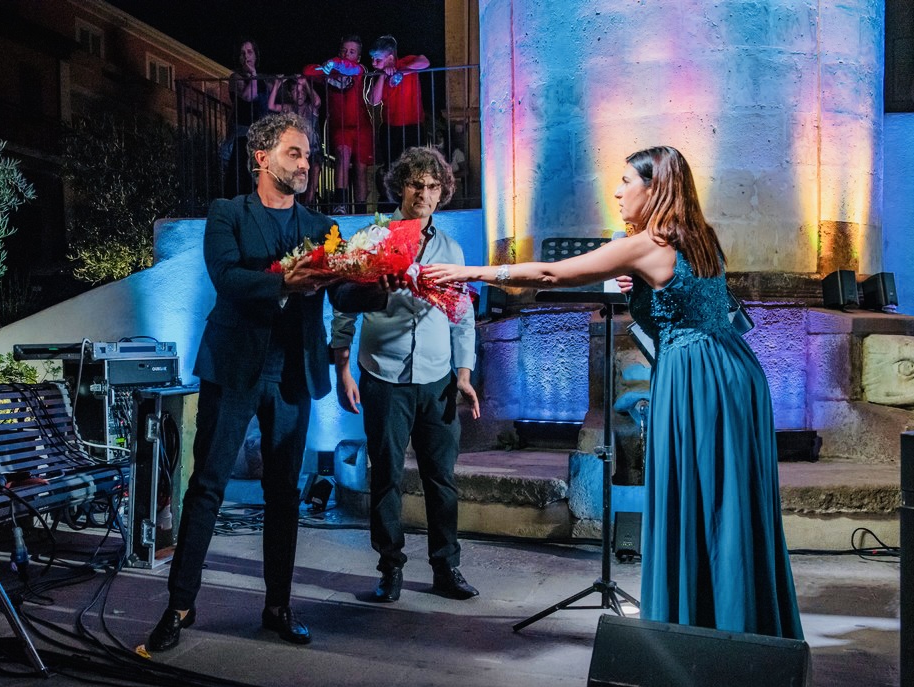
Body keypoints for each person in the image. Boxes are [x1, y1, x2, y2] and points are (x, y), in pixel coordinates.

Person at [425, 146, 804, 640]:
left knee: (703, 500)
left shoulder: (646, 243)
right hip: (735, 373)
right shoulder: (700, 238)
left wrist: (471, 272)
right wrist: (640, 289)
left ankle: (703, 631)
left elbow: (552, 274)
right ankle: (741, 621)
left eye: (627, 181)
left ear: (655, 188)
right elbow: (691, 303)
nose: (618, 191)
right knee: (728, 501)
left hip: (696, 379)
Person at [145, 112, 388, 653]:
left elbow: (343, 293)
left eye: (308, 156)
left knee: (284, 494)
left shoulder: (320, 226)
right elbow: (227, 278)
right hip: (233, 369)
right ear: (262, 157)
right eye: (294, 153)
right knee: (207, 486)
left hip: (293, 375)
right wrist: (283, 282)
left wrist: (382, 284)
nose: (306, 164)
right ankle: (179, 606)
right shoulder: (227, 213)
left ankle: (278, 606)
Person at [330, 147, 481, 603]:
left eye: (433, 186)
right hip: (383, 374)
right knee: (386, 477)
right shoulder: (373, 237)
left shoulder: (450, 248)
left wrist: (464, 373)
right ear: (401, 186)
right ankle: (390, 568)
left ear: (442, 192)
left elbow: (462, 317)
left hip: (437, 379)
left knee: (442, 479)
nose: (424, 194)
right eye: (416, 184)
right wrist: (343, 369)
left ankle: (446, 567)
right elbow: (343, 308)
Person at [305, 35, 374, 214]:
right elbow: (308, 71)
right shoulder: (330, 71)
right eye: (344, 50)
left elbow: (351, 69)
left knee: (360, 168)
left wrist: (334, 64)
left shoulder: (360, 69)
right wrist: (327, 67)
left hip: (361, 126)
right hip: (340, 125)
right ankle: (340, 204)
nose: (346, 54)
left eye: (351, 52)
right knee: (342, 157)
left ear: (358, 56)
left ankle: (361, 210)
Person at [367, 36, 430, 210]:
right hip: (390, 127)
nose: (373, 63)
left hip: (412, 125)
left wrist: (401, 71)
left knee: (414, 166)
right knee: (391, 167)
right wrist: (383, 76)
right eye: (372, 59)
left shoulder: (406, 62)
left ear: (390, 57)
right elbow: (373, 100)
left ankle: (414, 203)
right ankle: (393, 203)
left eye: (378, 59)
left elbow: (425, 62)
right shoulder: (379, 74)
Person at [224, 38, 270, 196]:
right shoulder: (235, 77)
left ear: (255, 55)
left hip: (259, 133)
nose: (246, 56)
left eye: (249, 52)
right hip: (242, 133)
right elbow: (249, 96)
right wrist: (253, 76)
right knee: (241, 176)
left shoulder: (262, 80)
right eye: (242, 53)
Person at [268, 75, 323, 204]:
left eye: (302, 91)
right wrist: (277, 84)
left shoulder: (310, 107)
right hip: (295, 150)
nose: (299, 94)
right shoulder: (288, 108)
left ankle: (308, 204)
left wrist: (306, 84)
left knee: (314, 168)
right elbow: (271, 106)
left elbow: (317, 102)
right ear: (290, 93)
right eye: (295, 91)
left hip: (313, 150)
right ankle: (294, 202)